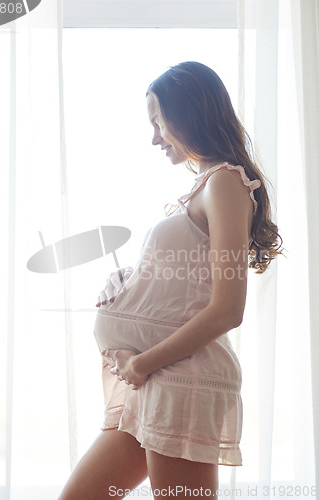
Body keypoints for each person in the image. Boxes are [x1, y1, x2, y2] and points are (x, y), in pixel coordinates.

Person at [58, 61, 283, 500]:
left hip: (180, 379)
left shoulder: (225, 184)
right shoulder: (204, 187)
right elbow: (186, 284)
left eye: (158, 122)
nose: (154, 138)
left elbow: (227, 309)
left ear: (188, 114)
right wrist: (127, 282)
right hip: (160, 381)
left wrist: (141, 363)